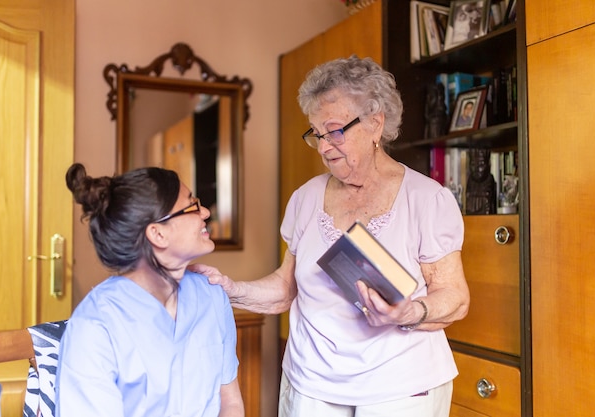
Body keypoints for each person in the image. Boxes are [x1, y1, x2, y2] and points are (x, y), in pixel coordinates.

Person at [195, 56, 470, 416]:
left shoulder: (427, 199)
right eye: (317, 134)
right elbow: (286, 286)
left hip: (401, 386)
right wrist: (232, 289)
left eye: (335, 130)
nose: (324, 146)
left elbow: (455, 297)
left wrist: (409, 311)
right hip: (311, 385)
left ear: (375, 123)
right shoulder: (305, 198)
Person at [56, 163, 243, 417]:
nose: (206, 212)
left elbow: (230, 402)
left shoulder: (211, 296)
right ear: (157, 234)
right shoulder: (95, 326)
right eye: (192, 206)